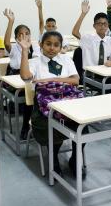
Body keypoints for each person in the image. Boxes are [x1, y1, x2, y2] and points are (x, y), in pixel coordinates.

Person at [19, 31, 84, 177]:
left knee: (82, 128)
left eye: (56, 45)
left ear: (61, 47)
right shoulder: (35, 62)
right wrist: (24, 51)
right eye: (48, 44)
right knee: (52, 130)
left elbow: (75, 80)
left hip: (68, 105)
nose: (52, 48)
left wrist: (44, 81)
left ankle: (75, 158)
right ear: (41, 44)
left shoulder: (66, 60)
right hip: (44, 109)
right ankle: (53, 158)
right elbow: (25, 76)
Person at [3, 8, 40, 139]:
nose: (24, 36)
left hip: (30, 77)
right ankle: (25, 127)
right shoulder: (14, 48)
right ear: (16, 36)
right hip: (14, 78)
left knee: (37, 93)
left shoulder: (35, 46)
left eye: (27, 33)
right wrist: (11, 21)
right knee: (29, 96)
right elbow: (6, 42)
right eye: (20, 34)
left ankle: (36, 124)